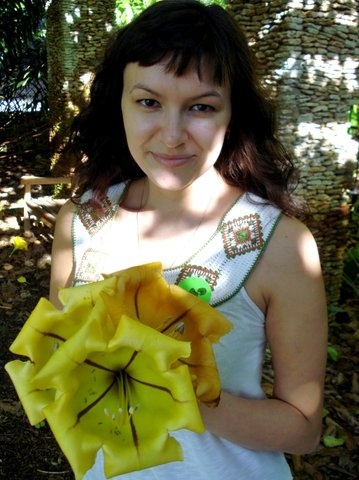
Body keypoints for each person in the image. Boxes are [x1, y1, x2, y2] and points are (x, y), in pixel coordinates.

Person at [49, 1, 328, 479]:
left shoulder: (281, 245)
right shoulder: (79, 223)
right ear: (119, 102)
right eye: (149, 102)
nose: (172, 135)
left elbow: (304, 428)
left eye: (200, 106)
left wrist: (174, 389)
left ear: (232, 112)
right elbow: (62, 374)